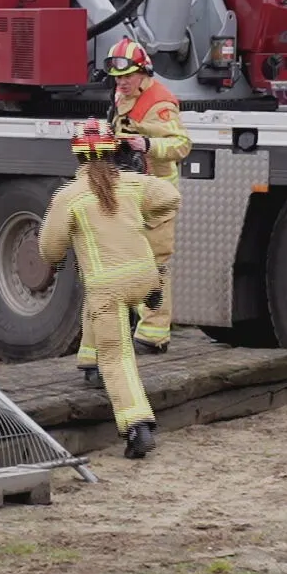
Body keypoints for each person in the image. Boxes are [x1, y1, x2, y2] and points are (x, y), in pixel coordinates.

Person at [38, 119, 181, 460]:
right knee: (103, 304)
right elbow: (171, 196)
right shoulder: (132, 184)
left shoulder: (69, 197)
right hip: (144, 275)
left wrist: (61, 254)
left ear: (77, 156)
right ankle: (90, 360)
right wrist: (145, 215)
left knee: (116, 354)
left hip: (109, 286)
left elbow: (49, 249)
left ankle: (137, 425)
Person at [102, 38, 190, 355]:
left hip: (157, 193)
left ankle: (155, 334)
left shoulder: (160, 103)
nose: (122, 82)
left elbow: (181, 145)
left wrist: (149, 146)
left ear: (143, 72)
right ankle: (137, 324)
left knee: (154, 264)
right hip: (129, 190)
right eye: (117, 77)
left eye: (128, 76)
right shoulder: (121, 94)